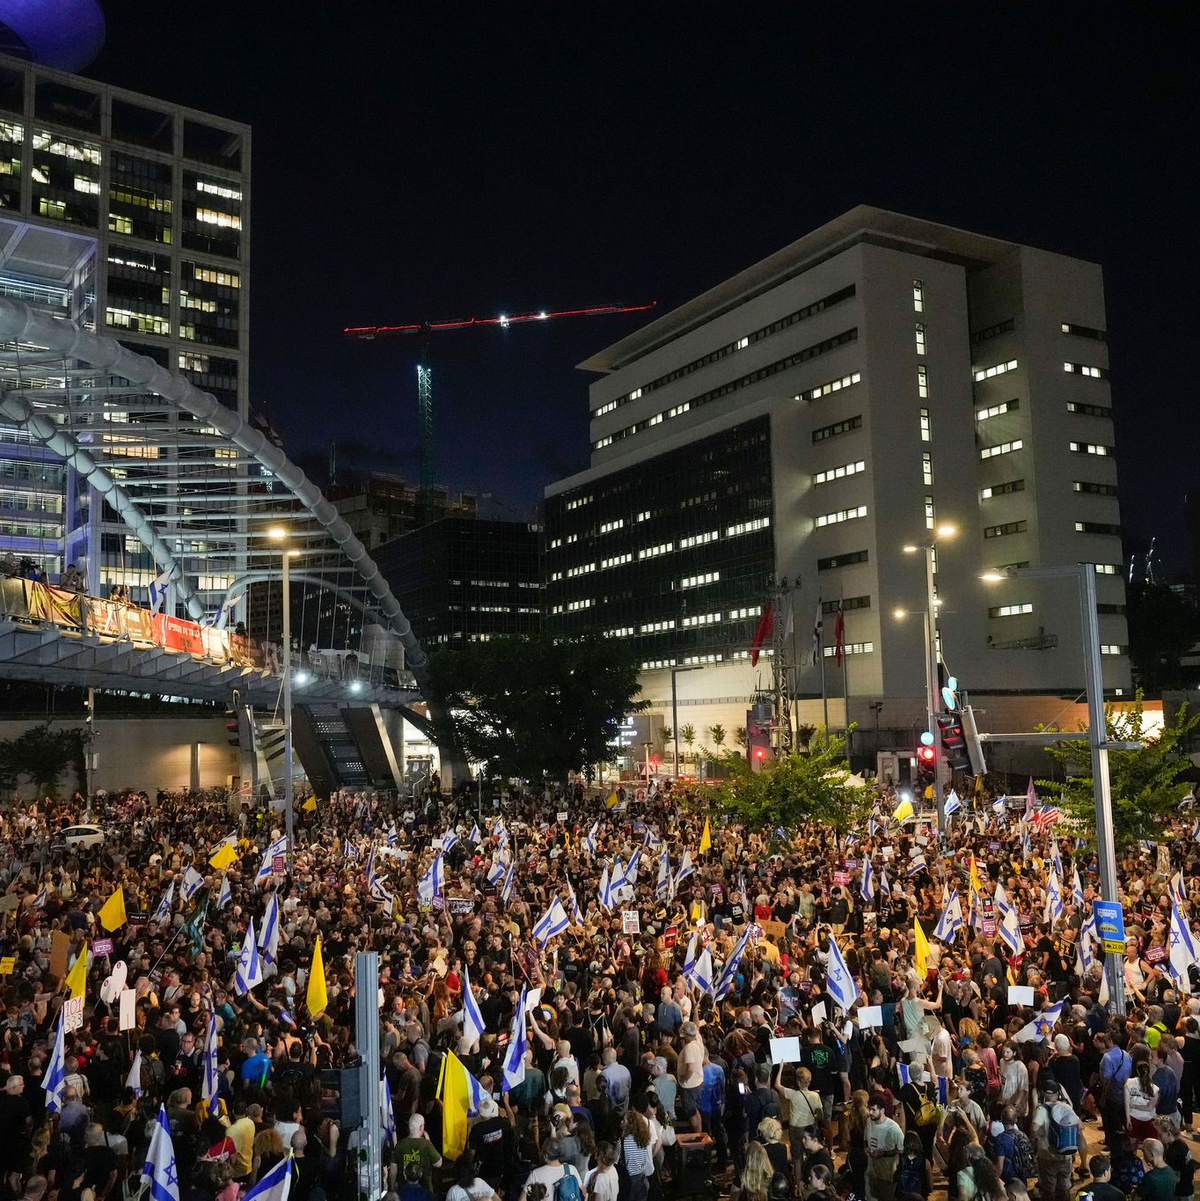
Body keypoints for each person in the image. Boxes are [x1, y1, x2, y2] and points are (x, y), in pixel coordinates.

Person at [1030, 1082, 1080, 1201]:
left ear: (1043, 1093)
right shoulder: (1066, 1107)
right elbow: (1080, 1126)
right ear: (1058, 1093)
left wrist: (1040, 1133)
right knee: (1065, 1187)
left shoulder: (1042, 1109)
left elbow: (1033, 1130)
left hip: (1047, 1155)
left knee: (1049, 1189)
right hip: (1066, 1154)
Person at [865, 1093, 903, 1201]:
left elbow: (902, 1150)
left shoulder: (893, 1128)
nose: (870, 1112)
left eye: (873, 1110)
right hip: (872, 1173)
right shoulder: (869, 1122)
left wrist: (883, 1153)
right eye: (869, 1109)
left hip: (887, 1176)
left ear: (882, 1111)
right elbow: (865, 1139)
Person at [1126, 1061, 1162, 1144]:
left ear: (1137, 1071)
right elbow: (1150, 1108)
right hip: (1149, 1120)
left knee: (1132, 1144)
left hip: (1133, 1117)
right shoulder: (1155, 1089)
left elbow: (1126, 1103)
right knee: (1150, 1146)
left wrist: (1128, 1118)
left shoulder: (1129, 1082)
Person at [895, 1130, 931, 1199]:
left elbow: (893, 1179)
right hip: (918, 1197)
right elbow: (930, 1187)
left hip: (902, 1197)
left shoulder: (898, 1159)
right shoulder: (926, 1162)